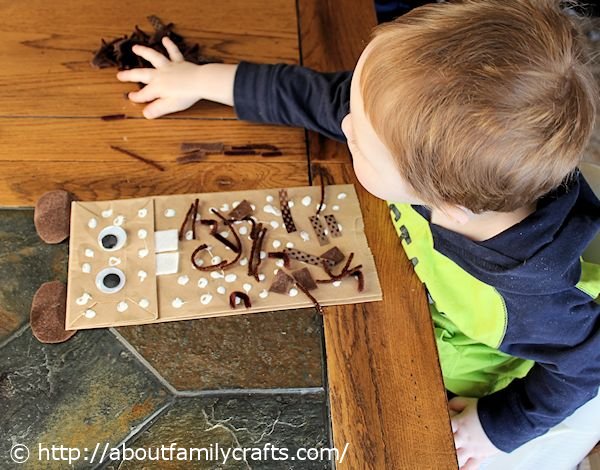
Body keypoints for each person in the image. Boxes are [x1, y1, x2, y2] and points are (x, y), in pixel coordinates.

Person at [115, 1, 600, 468]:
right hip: (411, 281)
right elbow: (322, 97)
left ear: (445, 205)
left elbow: (585, 369)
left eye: (359, 141)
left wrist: (495, 427)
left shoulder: (536, 299)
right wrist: (200, 79)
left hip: (462, 374)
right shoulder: (426, 148)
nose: (344, 121)